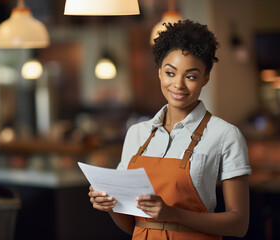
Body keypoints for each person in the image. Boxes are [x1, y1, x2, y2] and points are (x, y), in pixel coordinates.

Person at [88, 20, 251, 239]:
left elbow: (238, 224)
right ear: (159, 73)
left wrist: (172, 214)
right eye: (170, 73)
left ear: (205, 78)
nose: (178, 85)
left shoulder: (225, 135)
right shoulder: (137, 133)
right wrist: (109, 205)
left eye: (191, 76)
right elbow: (133, 225)